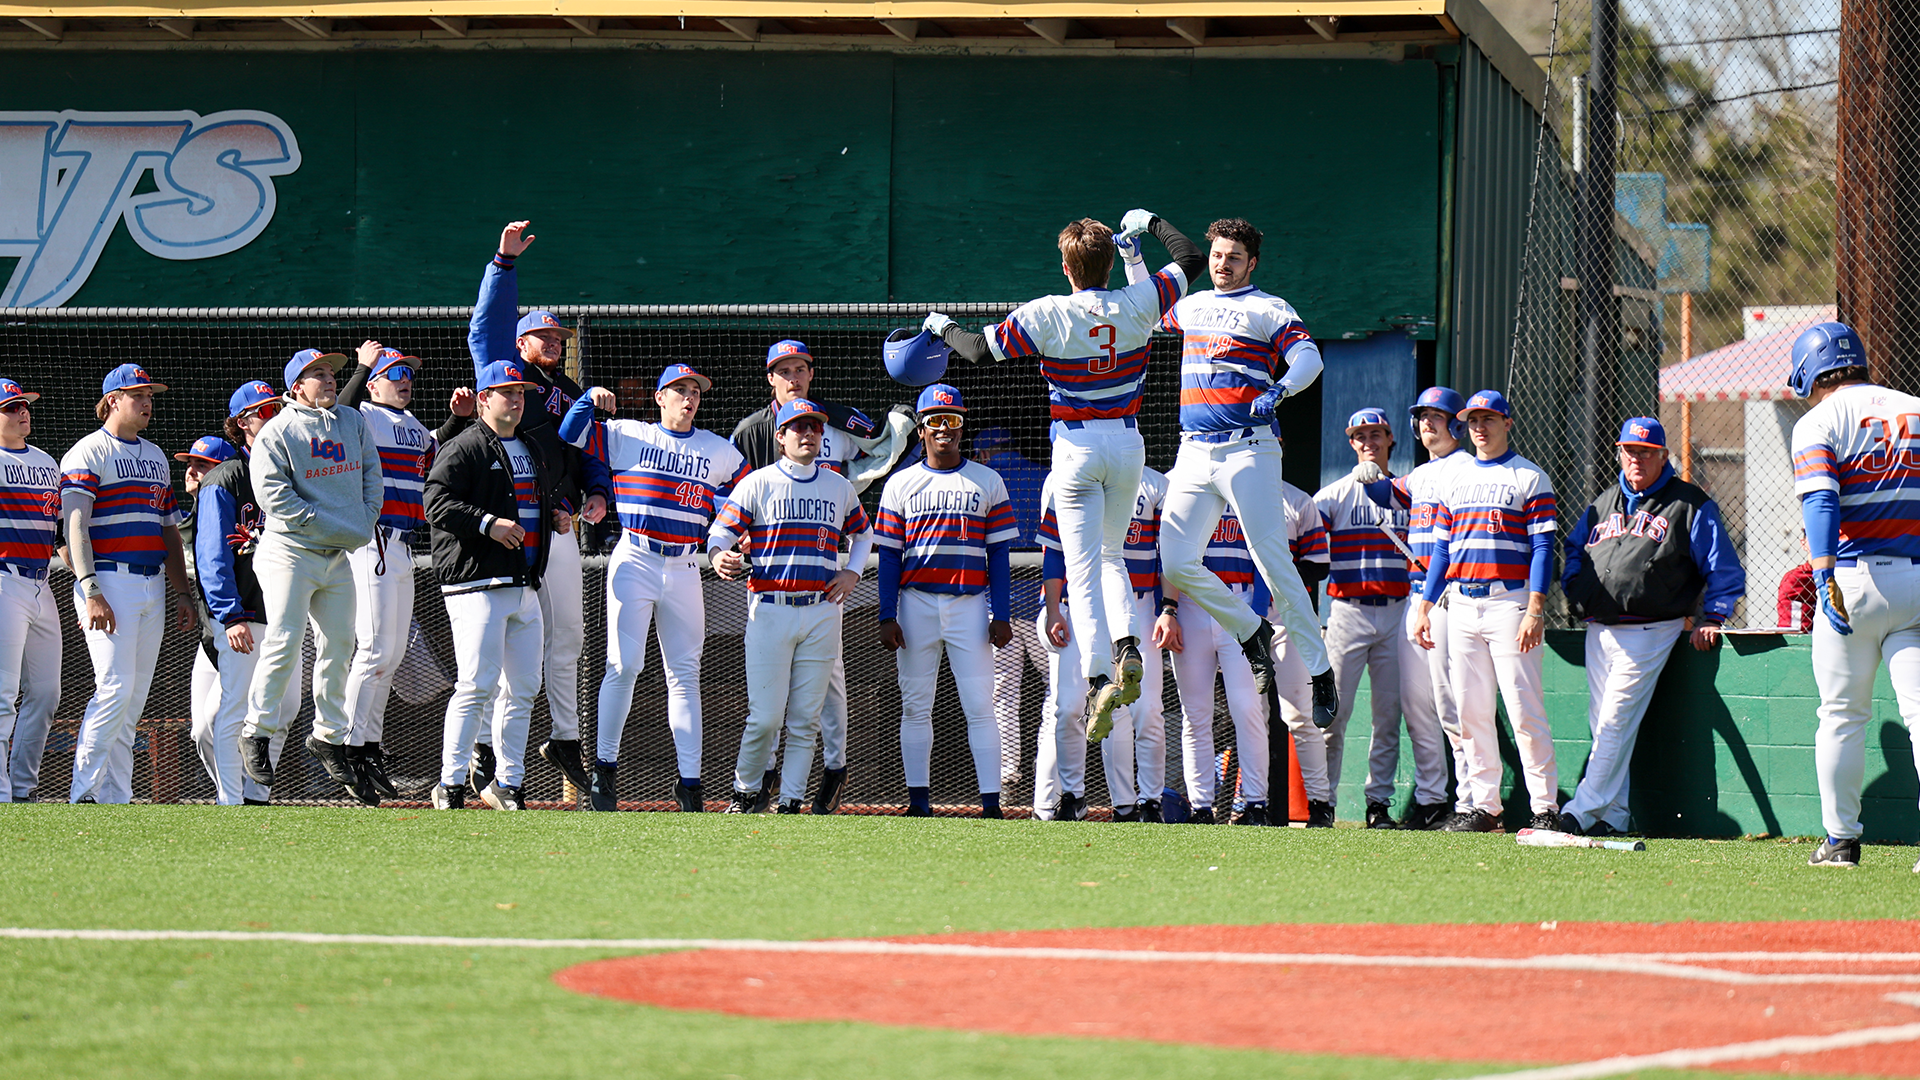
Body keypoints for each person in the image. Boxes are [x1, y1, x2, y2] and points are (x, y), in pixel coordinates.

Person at [924, 209, 1202, 737]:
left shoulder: (1047, 312)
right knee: (1112, 556)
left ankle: (1100, 676)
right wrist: (1148, 224)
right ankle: (1127, 647)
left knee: (1082, 570)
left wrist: (941, 326)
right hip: (1127, 441)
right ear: (1103, 264)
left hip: (1076, 446)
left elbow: (979, 350)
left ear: (1068, 268)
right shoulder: (1140, 300)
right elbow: (1190, 258)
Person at [1151, 217, 1337, 731]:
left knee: (1275, 565)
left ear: (1251, 263)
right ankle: (1252, 632)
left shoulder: (1269, 307)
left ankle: (1320, 673)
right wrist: (1130, 253)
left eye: (1234, 257)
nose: (1222, 264)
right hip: (1193, 451)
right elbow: (1141, 316)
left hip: (1249, 451)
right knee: (1175, 560)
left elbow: (1308, 359)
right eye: (1216, 255)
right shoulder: (1190, 305)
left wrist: (1279, 390)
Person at [729, 337, 914, 809]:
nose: (794, 377)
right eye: (784, 370)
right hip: (770, 581)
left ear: (812, 374)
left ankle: (827, 774)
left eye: (801, 369)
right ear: (770, 377)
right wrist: (731, 541)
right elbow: (730, 501)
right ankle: (756, 786)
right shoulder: (752, 431)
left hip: (825, 585)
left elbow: (878, 448)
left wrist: (852, 569)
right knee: (767, 713)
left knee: (821, 698)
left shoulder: (837, 426)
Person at [559, 363, 748, 813]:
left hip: (684, 564)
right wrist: (588, 400)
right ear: (660, 397)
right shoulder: (629, 433)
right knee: (623, 667)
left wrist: (721, 534)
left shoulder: (717, 450)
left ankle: (691, 783)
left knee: (684, 676)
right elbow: (569, 434)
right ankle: (604, 774)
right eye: (679, 390)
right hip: (636, 556)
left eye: (696, 391)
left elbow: (749, 496)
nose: (690, 397)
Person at [466, 220, 610, 798]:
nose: (553, 343)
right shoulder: (505, 377)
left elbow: (586, 456)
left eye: (558, 337)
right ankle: (488, 757)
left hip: (561, 526)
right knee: (501, 653)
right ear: (520, 344)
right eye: (541, 336)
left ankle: (565, 738)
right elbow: (486, 326)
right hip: (508, 526)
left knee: (568, 636)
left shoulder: (573, 392)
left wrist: (595, 494)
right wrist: (503, 263)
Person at [1561, 416, 1744, 837]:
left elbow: (1723, 567)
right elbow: (1574, 549)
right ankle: (1615, 815)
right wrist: (1576, 587)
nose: (1637, 458)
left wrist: (1713, 615)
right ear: (1619, 452)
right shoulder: (1604, 502)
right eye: (1630, 450)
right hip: (1599, 627)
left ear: (1663, 454)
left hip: (1650, 628)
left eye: (1646, 451)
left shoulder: (1689, 503)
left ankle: (1580, 810)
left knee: (1613, 721)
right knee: (1605, 725)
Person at [1784, 322, 1920, 869]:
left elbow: (1821, 503)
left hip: (1851, 580)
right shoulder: (1915, 406)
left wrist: (1822, 577)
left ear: (1810, 371)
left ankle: (1840, 842)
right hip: (1916, 578)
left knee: (1841, 715)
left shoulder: (1819, 420)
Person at [709, 397, 871, 814]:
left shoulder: (838, 485)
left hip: (821, 609)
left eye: (814, 427)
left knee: (806, 719)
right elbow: (720, 534)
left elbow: (864, 536)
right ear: (779, 436)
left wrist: (853, 571)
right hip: (770, 607)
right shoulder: (758, 482)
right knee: (765, 718)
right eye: (798, 427)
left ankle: (790, 802)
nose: (808, 433)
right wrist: (718, 556)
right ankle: (745, 793)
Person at [234, 349, 382, 804]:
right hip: (288, 553)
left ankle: (329, 738)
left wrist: (361, 520)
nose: (329, 379)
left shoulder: (352, 423)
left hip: (336, 555)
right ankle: (255, 732)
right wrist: (343, 526)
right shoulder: (276, 433)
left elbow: (372, 479)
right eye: (317, 374)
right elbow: (277, 501)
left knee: (341, 645)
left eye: (331, 373)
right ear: (295, 387)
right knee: (283, 638)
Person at [1410, 390, 1559, 833]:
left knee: (1524, 710)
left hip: (1509, 601)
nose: (1479, 427)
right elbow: (1441, 550)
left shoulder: (1529, 477)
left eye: (1488, 419)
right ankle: (1485, 807)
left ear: (1507, 422)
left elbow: (1543, 546)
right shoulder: (1453, 480)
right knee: (1470, 711)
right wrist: (1425, 606)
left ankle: (1545, 809)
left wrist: (1535, 607)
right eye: (1472, 419)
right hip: (1460, 603)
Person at [875, 384, 1019, 818]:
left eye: (953, 420)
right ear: (921, 429)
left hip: (971, 606)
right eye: (936, 420)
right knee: (915, 705)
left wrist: (1002, 613)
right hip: (915, 604)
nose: (945, 429)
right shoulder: (900, 483)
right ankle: (919, 802)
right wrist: (886, 614)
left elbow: (998, 554)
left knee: (981, 706)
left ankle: (991, 804)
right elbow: (888, 556)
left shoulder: (988, 480)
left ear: (962, 426)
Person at [61, 364, 196, 803]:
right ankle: (82, 791)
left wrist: (181, 591)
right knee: (115, 687)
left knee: (132, 697)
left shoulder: (156, 456)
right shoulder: (88, 451)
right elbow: (75, 526)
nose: (146, 402)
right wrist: (90, 587)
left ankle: (114, 797)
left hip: (152, 582)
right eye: (137, 394)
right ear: (113, 400)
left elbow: (168, 531)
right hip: (108, 580)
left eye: (149, 394)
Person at [426, 360, 554, 811]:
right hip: (476, 583)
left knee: (523, 688)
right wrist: (487, 523)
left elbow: (534, 498)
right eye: (506, 393)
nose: (516, 401)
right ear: (483, 399)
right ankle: (450, 784)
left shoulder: (532, 446)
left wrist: (553, 513)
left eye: (520, 393)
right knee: (476, 685)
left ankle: (507, 783)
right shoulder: (463, 446)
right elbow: (435, 502)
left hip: (525, 585)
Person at [1314, 408, 1448, 830]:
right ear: (1351, 443)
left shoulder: (1408, 493)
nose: (1368, 441)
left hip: (1399, 611)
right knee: (1333, 715)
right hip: (1347, 611)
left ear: (1391, 439)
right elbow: (1306, 551)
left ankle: (1378, 805)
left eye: (1376, 434)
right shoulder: (1331, 496)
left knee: (1388, 715)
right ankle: (1323, 802)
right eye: (1360, 435)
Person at [1030, 468, 1180, 822]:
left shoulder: (1157, 484)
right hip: (1076, 603)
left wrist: (1168, 608)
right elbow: (1053, 548)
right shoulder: (1062, 476)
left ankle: (1142, 804)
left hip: (1139, 604)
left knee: (1144, 709)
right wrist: (1052, 608)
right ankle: (1072, 798)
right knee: (1067, 706)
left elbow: (1171, 551)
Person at [1172, 487, 1327, 826]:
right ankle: (1201, 806)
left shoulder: (1257, 492)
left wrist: (1254, 616)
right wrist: (1167, 609)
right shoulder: (1183, 486)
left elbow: (1277, 559)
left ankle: (1261, 804)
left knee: (1251, 710)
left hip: (1250, 605)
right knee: (1196, 713)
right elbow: (1168, 555)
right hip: (1192, 605)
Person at [1361, 386, 1473, 828]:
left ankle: (1470, 802)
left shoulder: (1466, 468)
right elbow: (1390, 497)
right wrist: (1373, 480)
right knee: (1416, 702)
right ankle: (1431, 799)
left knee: (1451, 703)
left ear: (1456, 425)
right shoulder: (1423, 473)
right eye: (1423, 417)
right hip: (1417, 594)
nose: (1428, 423)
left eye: (1437, 416)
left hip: (1449, 594)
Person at [333, 341, 435, 800]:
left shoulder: (414, 425)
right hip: (372, 538)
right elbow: (337, 411)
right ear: (375, 383)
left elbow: (436, 463)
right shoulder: (365, 416)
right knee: (373, 648)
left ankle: (368, 744)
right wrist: (362, 367)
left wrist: (456, 419)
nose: (404, 381)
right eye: (395, 374)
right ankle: (345, 746)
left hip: (403, 546)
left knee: (391, 655)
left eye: (408, 374)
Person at [195, 384, 302, 805]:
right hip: (244, 612)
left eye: (278, 407)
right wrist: (230, 614)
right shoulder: (225, 478)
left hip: (285, 610)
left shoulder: (291, 471)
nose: (275, 415)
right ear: (243, 423)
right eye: (265, 410)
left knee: (284, 706)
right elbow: (211, 557)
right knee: (236, 709)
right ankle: (231, 801)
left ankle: (257, 794)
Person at [0, 379, 60, 803]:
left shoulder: (46, 462)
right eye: (10, 407)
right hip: (3, 579)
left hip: (42, 582)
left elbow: (58, 532)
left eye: (24, 405)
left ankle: (22, 788)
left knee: (45, 693)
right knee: (3, 695)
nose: (22, 412)